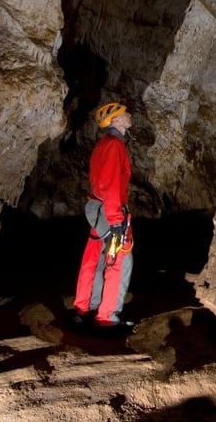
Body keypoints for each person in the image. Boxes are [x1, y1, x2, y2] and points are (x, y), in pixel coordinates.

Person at [72, 101, 135, 330]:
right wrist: (116, 218)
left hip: (97, 208)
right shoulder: (114, 145)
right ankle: (108, 316)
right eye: (124, 113)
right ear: (116, 120)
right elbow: (109, 182)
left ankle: (85, 306)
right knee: (121, 260)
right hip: (108, 209)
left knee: (95, 258)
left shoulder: (105, 143)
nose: (129, 115)